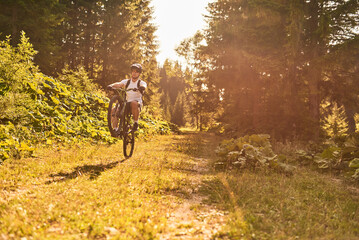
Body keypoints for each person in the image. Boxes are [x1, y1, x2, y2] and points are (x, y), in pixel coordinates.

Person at [107, 63, 147, 131]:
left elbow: (144, 86)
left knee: (134, 103)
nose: (134, 73)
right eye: (133, 71)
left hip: (136, 105)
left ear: (139, 73)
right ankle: (115, 129)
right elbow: (119, 84)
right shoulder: (127, 81)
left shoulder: (141, 82)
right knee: (113, 110)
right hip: (126, 104)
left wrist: (141, 88)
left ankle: (135, 123)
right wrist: (111, 85)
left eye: (136, 72)